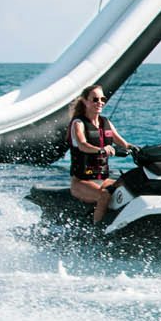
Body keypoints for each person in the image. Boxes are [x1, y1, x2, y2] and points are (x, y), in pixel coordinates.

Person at [68, 84, 134, 224]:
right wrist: (101, 149)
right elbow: (82, 145)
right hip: (82, 182)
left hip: (103, 179)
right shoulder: (78, 123)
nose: (100, 102)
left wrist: (136, 149)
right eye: (95, 99)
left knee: (129, 186)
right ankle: (96, 230)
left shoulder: (106, 122)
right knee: (104, 195)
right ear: (85, 101)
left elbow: (124, 143)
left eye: (102, 99)